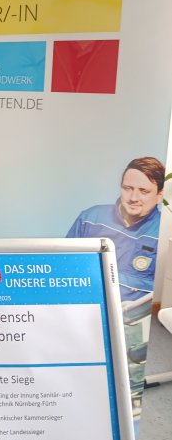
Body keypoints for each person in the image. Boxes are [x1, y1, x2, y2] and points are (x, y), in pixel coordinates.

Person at [66, 156, 165, 417]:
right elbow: (64, 267)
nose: (133, 197)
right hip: (84, 318)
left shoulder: (162, 232)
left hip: (132, 330)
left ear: (159, 194)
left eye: (144, 191)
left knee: (120, 404)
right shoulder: (91, 218)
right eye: (127, 188)